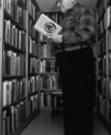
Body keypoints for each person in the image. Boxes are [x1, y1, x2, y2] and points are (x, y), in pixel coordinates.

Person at [46, 0, 97, 135]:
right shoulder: (65, 17)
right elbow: (66, 39)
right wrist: (54, 39)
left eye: (61, 2)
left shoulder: (84, 10)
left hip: (79, 58)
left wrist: (61, 38)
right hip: (66, 60)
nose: (59, 6)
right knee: (70, 103)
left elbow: (87, 34)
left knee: (83, 103)